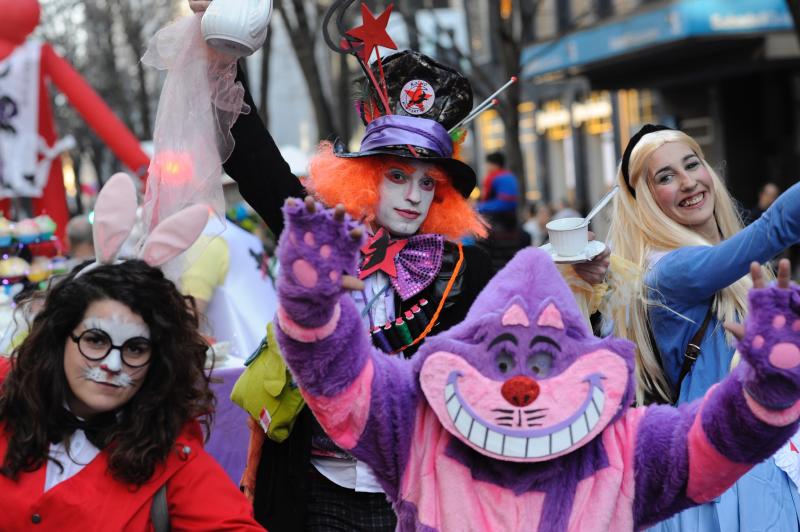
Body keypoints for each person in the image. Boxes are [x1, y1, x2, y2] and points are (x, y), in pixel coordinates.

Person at [189, 2, 608, 529]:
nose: (413, 196)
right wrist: (219, 53)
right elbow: (251, 157)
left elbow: (533, 344)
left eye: (427, 182)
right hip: (315, 485)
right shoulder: (321, 232)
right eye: (396, 175)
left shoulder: (467, 267)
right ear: (366, 177)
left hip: (418, 490)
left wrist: (580, 288)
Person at [608, 124, 800, 531]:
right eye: (665, 177)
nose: (687, 181)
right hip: (727, 485)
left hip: (771, 459)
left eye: (692, 164)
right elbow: (773, 230)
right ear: (645, 199)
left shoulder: (730, 270)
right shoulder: (667, 273)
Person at [0, 261, 263, 530]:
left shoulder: (169, 456)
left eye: (135, 349)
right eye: (96, 340)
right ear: (59, 338)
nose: (113, 366)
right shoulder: (8, 395)